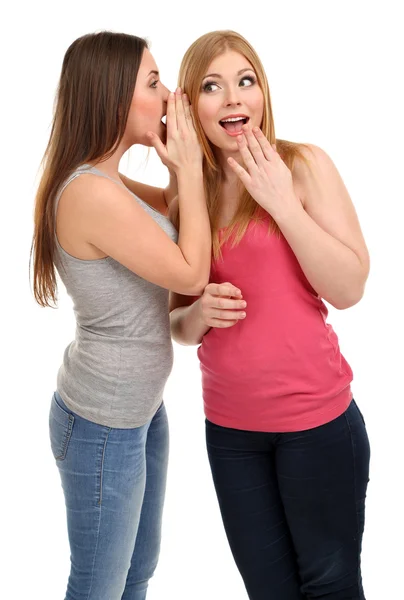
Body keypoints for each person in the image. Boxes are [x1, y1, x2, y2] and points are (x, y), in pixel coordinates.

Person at [170, 30, 370, 600]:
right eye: (212, 86)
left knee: (331, 588)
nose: (233, 98)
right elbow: (176, 326)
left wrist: (282, 202)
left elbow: (350, 287)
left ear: (263, 92)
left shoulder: (303, 165)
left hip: (318, 426)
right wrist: (199, 313)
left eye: (245, 81)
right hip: (231, 434)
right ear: (189, 105)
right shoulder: (190, 196)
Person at [31, 31, 210, 600]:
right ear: (113, 97)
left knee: (137, 573)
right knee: (99, 589)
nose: (170, 94)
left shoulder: (104, 179)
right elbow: (191, 272)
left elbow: (177, 213)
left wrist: (180, 169)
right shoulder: (88, 192)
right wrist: (191, 169)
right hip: (102, 427)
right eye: (153, 83)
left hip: (138, 413)